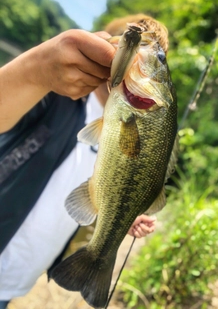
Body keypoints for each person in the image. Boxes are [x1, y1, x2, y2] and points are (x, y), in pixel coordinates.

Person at [0, 15, 157, 307]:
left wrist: (123, 210)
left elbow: (99, 184)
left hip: (16, 281)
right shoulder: (51, 94)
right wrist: (36, 70)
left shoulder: (134, 129)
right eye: (130, 41)